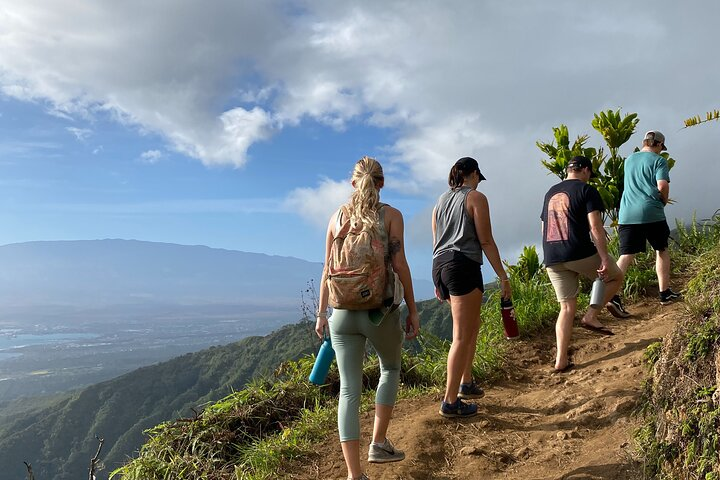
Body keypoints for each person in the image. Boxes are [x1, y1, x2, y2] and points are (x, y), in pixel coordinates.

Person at [315, 156, 420, 480]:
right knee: (389, 368)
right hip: (378, 312)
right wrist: (413, 310)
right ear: (382, 183)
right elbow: (399, 265)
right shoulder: (390, 215)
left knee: (349, 390)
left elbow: (326, 269)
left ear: (352, 184)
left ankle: (354, 474)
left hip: (341, 313)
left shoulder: (336, 218)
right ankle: (378, 443)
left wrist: (321, 315)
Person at [432, 157, 511, 418]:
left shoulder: (440, 202)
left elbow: (437, 242)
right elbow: (486, 240)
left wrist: (437, 280)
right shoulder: (476, 198)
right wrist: (502, 275)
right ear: (473, 174)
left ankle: (466, 382)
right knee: (462, 335)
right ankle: (450, 401)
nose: (478, 182)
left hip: (442, 265)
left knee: (471, 325)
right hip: (463, 265)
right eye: (478, 177)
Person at [540, 155, 624, 373]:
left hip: (552, 256)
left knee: (566, 308)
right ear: (585, 170)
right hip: (577, 250)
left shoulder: (550, 192)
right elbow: (595, 227)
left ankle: (561, 361)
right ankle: (591, 316)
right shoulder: (587, 190)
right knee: (615, 276)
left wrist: (549, 255)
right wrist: (604, 257)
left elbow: (543, 227)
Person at [611, 130, 681, 311]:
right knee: (661, 249)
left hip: (627, 213)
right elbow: (662, 185)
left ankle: (612, 295)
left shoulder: (629, 160)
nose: (661, 151)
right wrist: (663, 200)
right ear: (657, 144)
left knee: (626, 255)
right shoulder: (659, 161)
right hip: (651, 211)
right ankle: (664, 293)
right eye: (661, 147)